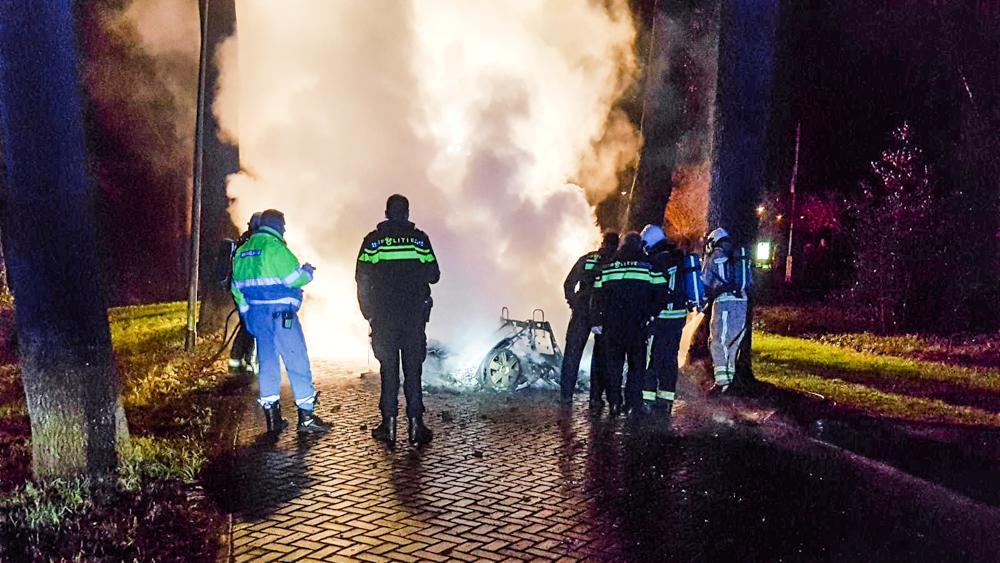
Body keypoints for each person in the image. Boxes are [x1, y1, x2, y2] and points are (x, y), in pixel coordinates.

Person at [231, 209, 330, 434]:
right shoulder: (276, 248)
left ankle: (273, 419)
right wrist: (307, 271)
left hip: (258, 317)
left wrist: (248, 315)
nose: (284, 229)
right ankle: (306, 417)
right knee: (296, 359)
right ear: (276, 225)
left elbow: (236, 289)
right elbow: (294, 278)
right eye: (283, 225)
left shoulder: (242, 251)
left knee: (267, 363)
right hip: (282, 317)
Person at [356, 194, 439, 447]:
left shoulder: (372, 242)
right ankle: (415, 426)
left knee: (388, 371)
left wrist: (368, 312)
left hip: (384, 318)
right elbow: (434, 275)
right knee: (414, 371)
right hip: (413, 318)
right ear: (407, 213)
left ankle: (389, 426)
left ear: (386, 212)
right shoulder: (419, 240)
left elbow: (361, 278)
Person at [591, 232, 664, 415]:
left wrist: (597, 320)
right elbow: (661, 294)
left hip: (612, 325)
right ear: (640, 245)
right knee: (636, 366)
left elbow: (597, 296)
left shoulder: (608, 266)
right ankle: (632, 403)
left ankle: (614, 402)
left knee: (613, 366)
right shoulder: (649, 266)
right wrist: (650, 315)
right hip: (637, 325)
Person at [559, 231, 619, 407]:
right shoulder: (616, 262)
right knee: (600, 358)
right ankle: (595, 398)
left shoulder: (586, 259)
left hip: (581, 312)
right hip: (603, 315)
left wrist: (574, 303)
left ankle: (566, 395)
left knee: (572, 353)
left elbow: (569, 283)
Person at [639, 224, 687, 417]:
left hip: (660, 317)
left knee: (653, 358)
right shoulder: (680, 258)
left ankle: (647, 400)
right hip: (678, 316)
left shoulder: (656, 261)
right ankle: (666, 401)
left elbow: (651, 291)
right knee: (670, 358)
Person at [701, 227, 751, 394]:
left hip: (724, 302)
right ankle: (730, 381)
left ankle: (722, 382)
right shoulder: (736, 256)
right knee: (733, 341)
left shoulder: (715, 255)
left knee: (718, 340)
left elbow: (705, 281)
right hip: (742, 300)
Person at [228, 212, 261, 376]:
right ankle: (249, 363)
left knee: (246, 326)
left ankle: (236, 362)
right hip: (254, 292)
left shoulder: (243, 242)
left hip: (241, 292)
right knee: (254, 327)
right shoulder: (260, 243)